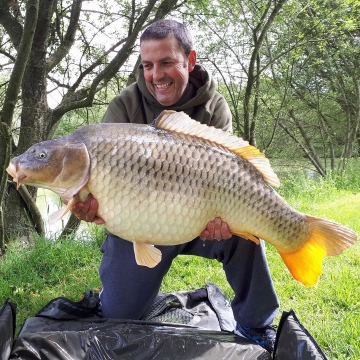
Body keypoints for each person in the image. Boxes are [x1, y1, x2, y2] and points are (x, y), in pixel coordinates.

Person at [71, 19, 279, 352]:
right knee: (118, 318)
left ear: (190, 60)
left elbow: (231, 175)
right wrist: (93, 208)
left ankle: (256, 323)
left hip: (200, 216)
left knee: (247, 231)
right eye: (148, 65)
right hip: (140, 224)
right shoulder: (124, 107)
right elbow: (102, 188)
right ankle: (130, 300)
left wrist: (222, 221)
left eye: (167, 62)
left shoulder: (214, 107)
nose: (156, 75)